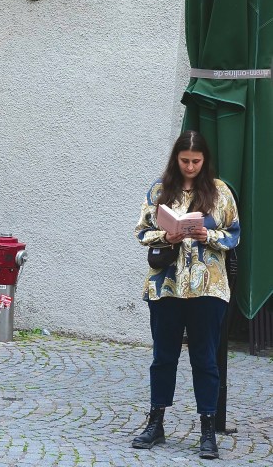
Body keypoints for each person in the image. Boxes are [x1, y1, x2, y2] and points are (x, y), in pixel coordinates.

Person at [133, 130, 240, 460]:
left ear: (205, 160)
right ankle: (156, 423)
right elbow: (142, 232)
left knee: (204, 359)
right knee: (163, 357)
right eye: (184, 161)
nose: (190, 167)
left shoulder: (220, 192)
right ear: (175, 159)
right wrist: (167, 235)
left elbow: (234, 235)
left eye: (196, 161)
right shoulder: (159, 190)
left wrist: (209, 235)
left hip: (208, 288)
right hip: (166, 286)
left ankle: (208, 430)